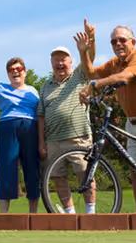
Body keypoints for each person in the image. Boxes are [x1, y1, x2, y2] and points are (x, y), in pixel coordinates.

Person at [76, 19, 136, 213]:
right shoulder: (114, 63)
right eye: (113, 42)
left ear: (133, 42)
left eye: (122, 40)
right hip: (133, 122)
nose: (118, 44)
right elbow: (91, 73)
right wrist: (84, 51)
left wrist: (95, 86)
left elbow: (124, 77)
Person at [0, 58, 40, 214]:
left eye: (18, 69)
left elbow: (41, 114)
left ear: (24, 72)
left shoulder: (33, 91)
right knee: (6, 168)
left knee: (32, 168)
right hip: (7, 127)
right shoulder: (0, 88)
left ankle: (33, 214)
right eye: (11, 70)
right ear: (8, 74)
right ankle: (3, 215)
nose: (15, 72)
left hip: (30, 127)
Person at [37, 45, 97, 214]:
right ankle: (70, 215)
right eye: (56, 60)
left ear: (71, 62)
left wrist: (88, 44)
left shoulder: (79, 76)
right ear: (51, 63)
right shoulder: (45, 86)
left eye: (63, 59)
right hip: (54, 140)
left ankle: (90, 213)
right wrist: (41, 142)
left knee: (84, 174)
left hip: (78, 138)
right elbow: (40, 116)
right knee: (57, 177)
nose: (60, 63)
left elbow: (89, 59)